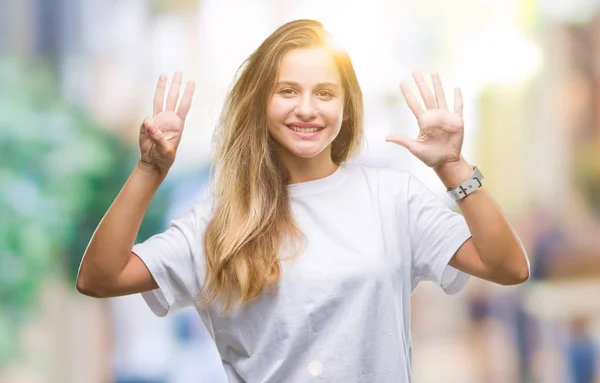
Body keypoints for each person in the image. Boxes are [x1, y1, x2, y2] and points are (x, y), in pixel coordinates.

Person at [76, 19, 530, 382]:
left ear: (346, 106)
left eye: (325, 93)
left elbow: (508, 267)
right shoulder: (218, 221)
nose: (307, 109)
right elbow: (100, 278)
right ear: (259, 103)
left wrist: (453, 168)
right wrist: (150, 170)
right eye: (287, 91)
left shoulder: (394, 199)